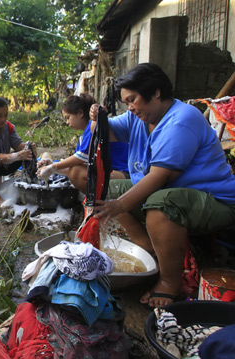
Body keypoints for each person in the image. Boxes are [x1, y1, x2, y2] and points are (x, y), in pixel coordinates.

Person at [89, 63, 235, 308]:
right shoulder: (140, 117)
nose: (130, 107)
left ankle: (169, 282)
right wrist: (98, 119)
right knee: (106, 192)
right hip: (172, 194)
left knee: (160, 204)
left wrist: (120, 205)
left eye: (133, 99)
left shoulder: (182, 120)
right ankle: (150, 249)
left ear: (156, 92)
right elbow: (106, 132)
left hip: (213, 200)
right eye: (126, 102)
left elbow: (160, 176)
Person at [36, 94, 129, 194]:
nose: (67, 122)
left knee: (76, 172)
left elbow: (79, 159)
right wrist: (52, 165)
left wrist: (53, 167)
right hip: (112, 172)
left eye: (68, 117)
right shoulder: (83, 138)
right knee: (74, 170)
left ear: (80, 113)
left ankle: (98, 202)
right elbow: (72, 166)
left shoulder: (93, 126)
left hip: (124, 172)